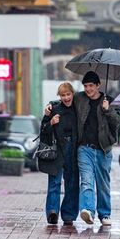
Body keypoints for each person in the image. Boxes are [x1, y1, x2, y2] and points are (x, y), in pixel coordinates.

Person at [46, 71, 120, 226]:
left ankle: (104, 214)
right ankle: (88, 210)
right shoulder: (80, 98)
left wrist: (107, 110)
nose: (88, 89)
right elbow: (64, 100)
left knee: (103, 184)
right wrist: (50, 105)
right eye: (86, 86)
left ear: (98, 85)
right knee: (86, 181)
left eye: (91, 86)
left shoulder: (110, 101)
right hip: (84, 148)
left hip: (104, 149)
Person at [39, 82, 79, 226]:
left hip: (74, 149)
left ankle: (68, 215)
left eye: (68, 94)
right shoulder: (54, 109)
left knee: (72, 183)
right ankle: (52, 212)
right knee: (54, 182)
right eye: (63, 95)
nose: (66, 98)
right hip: (58, 149)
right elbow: (43, 130)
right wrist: (51, 122)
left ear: (73, 94)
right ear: (59, 96)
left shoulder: (78, 109)